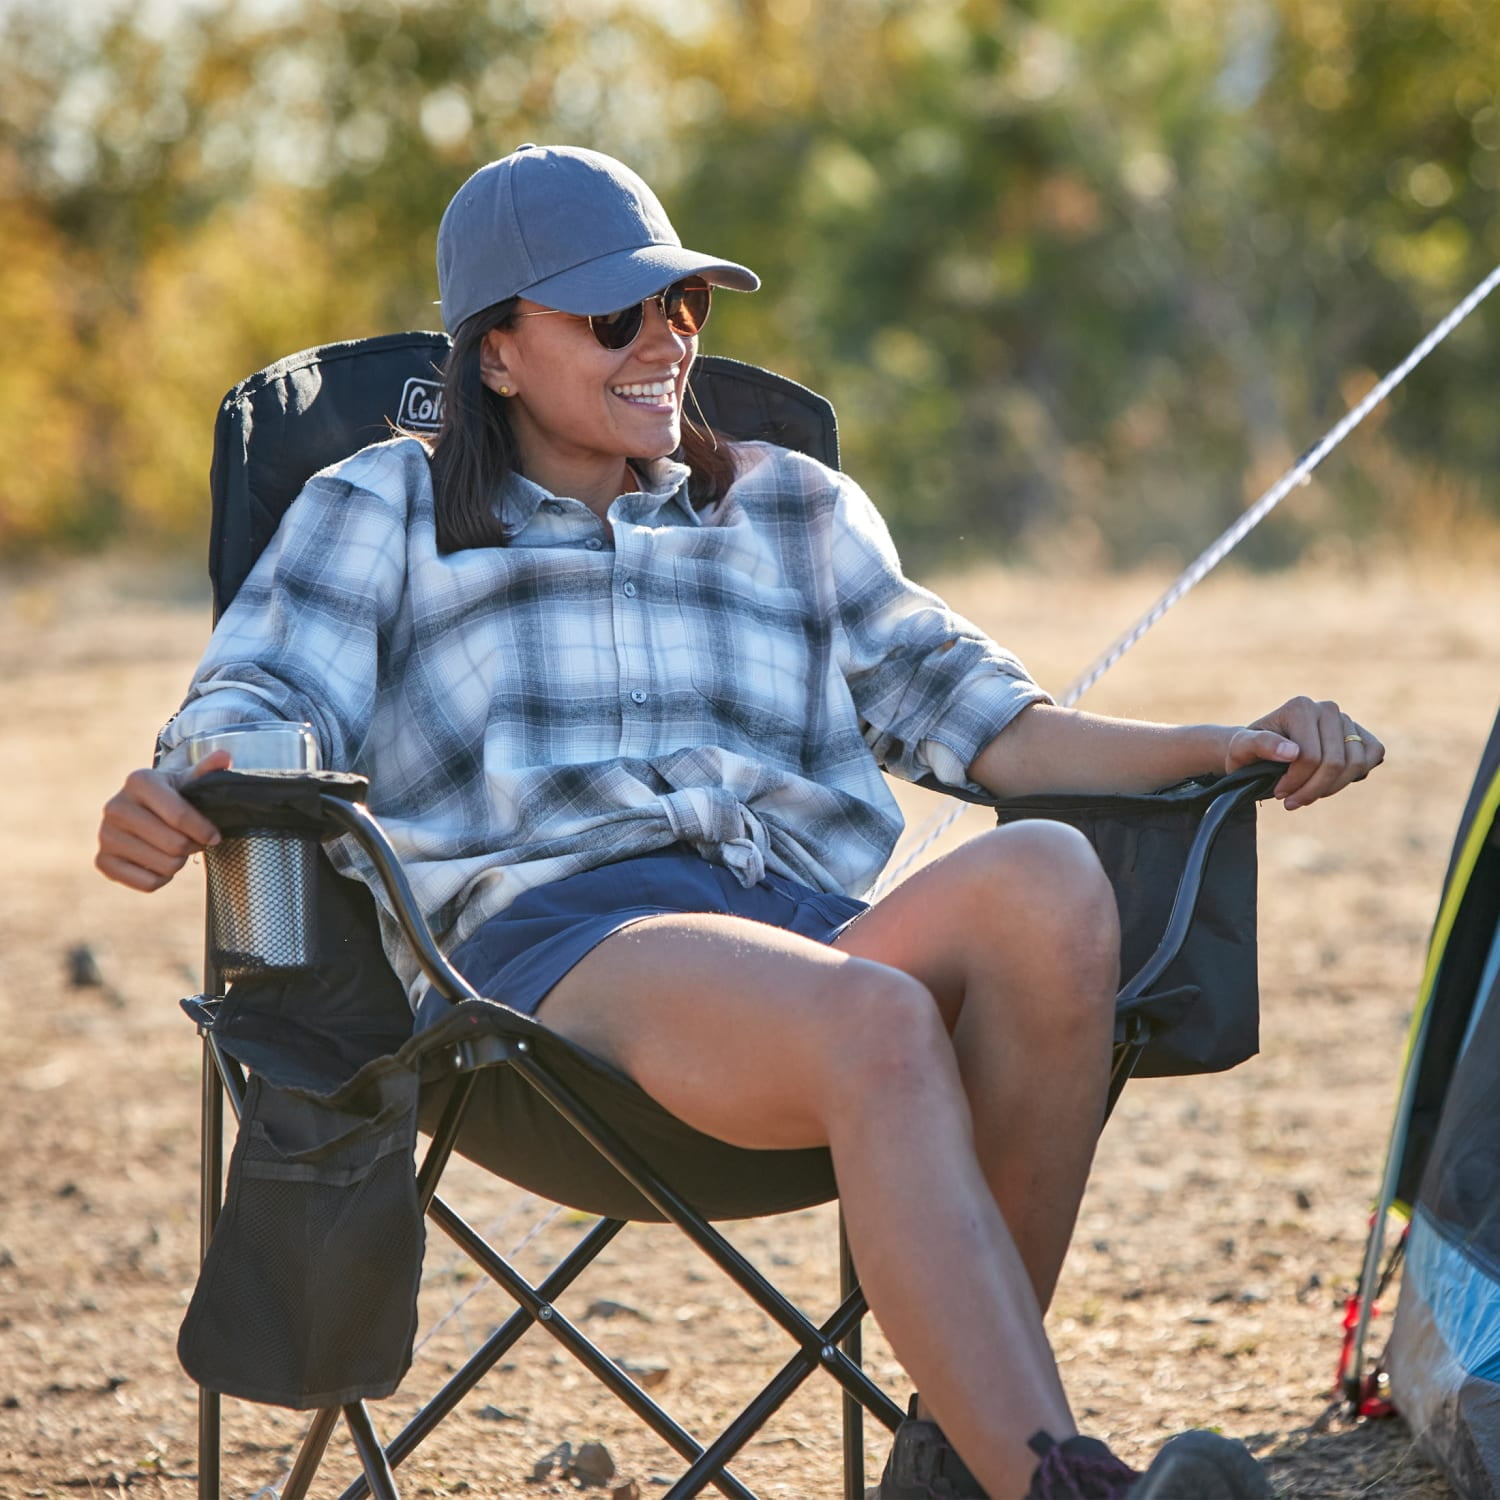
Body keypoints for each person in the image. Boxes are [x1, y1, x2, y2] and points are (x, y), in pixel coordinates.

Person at [96, 144, 1382, 1499]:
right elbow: (262, 697)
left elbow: (992, 722)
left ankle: (963, 1464)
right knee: (875, 1013)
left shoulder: (788, 505)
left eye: (684, 305)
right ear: (498, 355)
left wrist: (1232, 743)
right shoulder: (384, 505)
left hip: (803, 941)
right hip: (548, 974)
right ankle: (1053, 1479)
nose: (664, 341)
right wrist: (183, 786)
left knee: (1052, 876)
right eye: (614, 316)